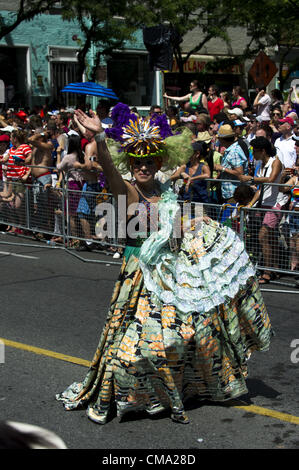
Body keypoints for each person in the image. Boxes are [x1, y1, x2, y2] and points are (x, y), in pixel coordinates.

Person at [56, 102, 273, 425]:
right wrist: (100, 139)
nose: (143, 167)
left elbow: (176, 222)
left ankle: (180, 388)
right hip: (139, 278)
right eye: (137, 162)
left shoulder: (164, 189)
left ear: (157, 162)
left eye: (148, 162)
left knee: (187, 333)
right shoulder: (127, 191)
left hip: (171, 274)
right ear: (130, 163)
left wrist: (194, 227)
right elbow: (112, 175)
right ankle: (133, 393)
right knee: (137, 349)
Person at [238, 136, 286, 284]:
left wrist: (250, 179)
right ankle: (276, 269)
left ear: (262, 151)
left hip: (275, 203)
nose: (254, 154)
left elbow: (271, 179)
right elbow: (260, 189)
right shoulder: (261, 165)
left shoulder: (275, 162)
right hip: (264, 203)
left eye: (255, 151)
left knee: (263, 236)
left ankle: (267, 272)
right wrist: (250, 204)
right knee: (270, 239)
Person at [213, 123, 248, 203]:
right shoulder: (230, 150)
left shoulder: (234, 152)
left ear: (222, 139)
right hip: (229, 193)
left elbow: (240, 172)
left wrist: (222, 168)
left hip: (234, 194)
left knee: (231, 215)